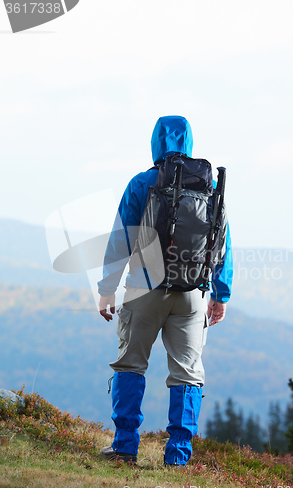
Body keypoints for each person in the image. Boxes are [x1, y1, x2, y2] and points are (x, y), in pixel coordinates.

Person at [98, 115, 233, 465]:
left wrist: (107, 288)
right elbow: (222, 244)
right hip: (193, 291)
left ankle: (125, 447)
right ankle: (178, 457)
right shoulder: (209, 187)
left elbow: (121, 239)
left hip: (145, 287)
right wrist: (220, 294)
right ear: (189, 142)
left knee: (130, 365)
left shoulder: (143, 182)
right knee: (187, 372)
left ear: (156, 142)